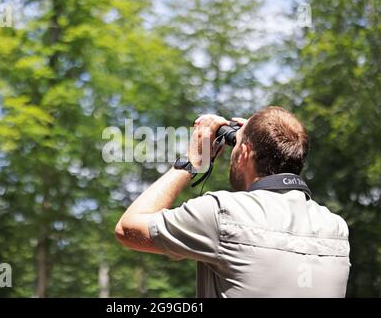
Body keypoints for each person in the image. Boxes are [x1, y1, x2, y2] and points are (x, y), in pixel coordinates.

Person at [115, 106, 350, 297]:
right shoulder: (335, 228)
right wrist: (263, 134)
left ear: (246, 153)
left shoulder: (223, 214)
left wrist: (191, 161)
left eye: (235, 145)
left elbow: (127, 228)